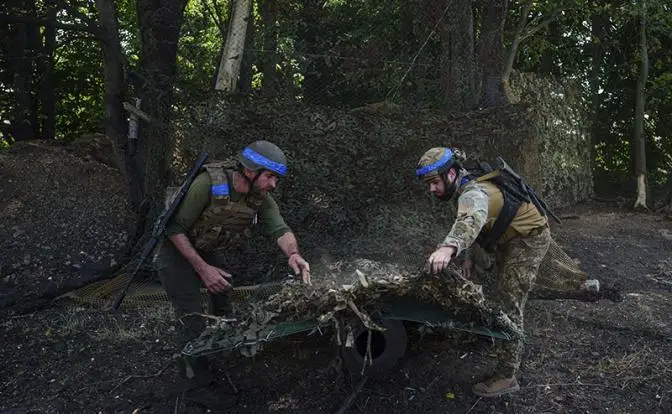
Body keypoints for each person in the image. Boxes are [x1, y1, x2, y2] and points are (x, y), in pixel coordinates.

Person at [156, 140, 311, 396]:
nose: (273, 184)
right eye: (270, 176)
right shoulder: (208, 184)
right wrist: (204, 270)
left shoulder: (259, 196)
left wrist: (294, 255)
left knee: (224, 295)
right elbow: (173, 228)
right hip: (175, 251)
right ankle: (195, 384)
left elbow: (279, 228)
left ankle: (221, 353)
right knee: (191, 315)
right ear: (251, 170)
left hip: (205, 247)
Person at [415, 147, 551, 397]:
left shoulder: (474, 192)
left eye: (434, 182)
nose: (431, 190)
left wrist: (448, 248)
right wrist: (468, 258)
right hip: (504, 237)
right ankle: (493, 336)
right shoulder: (462, 188)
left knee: (510, 302)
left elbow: (471, 219)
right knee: (492, 283)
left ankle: (506, 376)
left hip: (528, 240)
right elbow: (474, 222)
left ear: (452, 174)